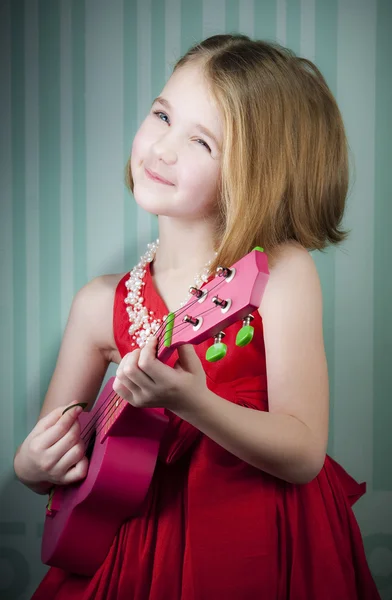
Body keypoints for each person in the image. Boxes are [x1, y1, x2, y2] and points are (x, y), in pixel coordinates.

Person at [14, 34, 380, 599]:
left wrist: (192, 401)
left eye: (202, 143)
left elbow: (305, 453)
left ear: (258, 174)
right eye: (162, 114)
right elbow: (57, 456)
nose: (161, 149)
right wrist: (33, 464)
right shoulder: (97, 304)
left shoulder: (278, 273)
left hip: (258, 537)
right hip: (133, 547)